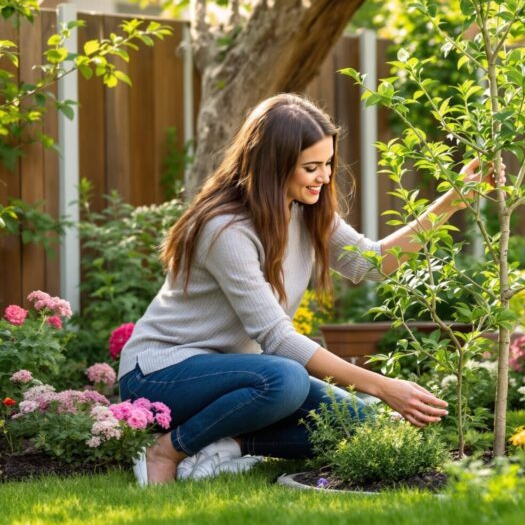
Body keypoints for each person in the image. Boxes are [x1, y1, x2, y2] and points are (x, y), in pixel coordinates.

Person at [118, 93, 491, 485]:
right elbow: (277, 339)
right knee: (286, 379)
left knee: (362, 423)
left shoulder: (306, 213)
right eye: (311, 167)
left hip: (238, 377)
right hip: (161, 375)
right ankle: (166, 450)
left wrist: (452, 201)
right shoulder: (225, 229)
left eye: (328, 163)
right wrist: (382, 386)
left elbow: (372, 261)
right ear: (273, 166)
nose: (325, 176)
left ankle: (227, 446)